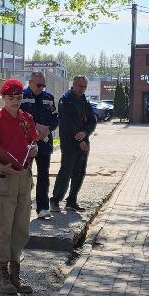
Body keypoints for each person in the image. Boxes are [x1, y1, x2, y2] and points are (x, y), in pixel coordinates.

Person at [0, 78, 39, 296]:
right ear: (3, 98)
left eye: (18, 98)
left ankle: (16, 271)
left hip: (24, 176)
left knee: (21, 225)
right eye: (11, 98)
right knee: (3, 224)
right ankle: (2, 275)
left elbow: (32, 144)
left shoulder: (27, 118)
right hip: (5, 177)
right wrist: (1, 167)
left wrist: (33, 151)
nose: (15, 102)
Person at [50, 75, 97, 212]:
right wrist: (80, 140)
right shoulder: (66, 100)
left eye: (85, 87)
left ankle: (71, 201)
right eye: (80, 86)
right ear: (74, 84)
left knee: (80, 172)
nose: (82, 89)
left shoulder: (83, 100)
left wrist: (85, 133)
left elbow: (92, 121)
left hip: (83, 141)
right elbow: (67, 124)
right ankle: (55, 200)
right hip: (70, 143)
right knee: (66, 170)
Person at [21, 72, 58, 219]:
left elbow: (55, 118)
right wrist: (35, 128)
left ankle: (42, 208)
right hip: (26, 142)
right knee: (25, 174)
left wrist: (47, 129)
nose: (41, 88)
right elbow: (19, 116)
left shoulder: (48, 97)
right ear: (30, 82)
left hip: (44, 142)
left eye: (43, 85)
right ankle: (24, 203)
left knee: (43, 175)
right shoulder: (22, 96)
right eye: (38, 85)